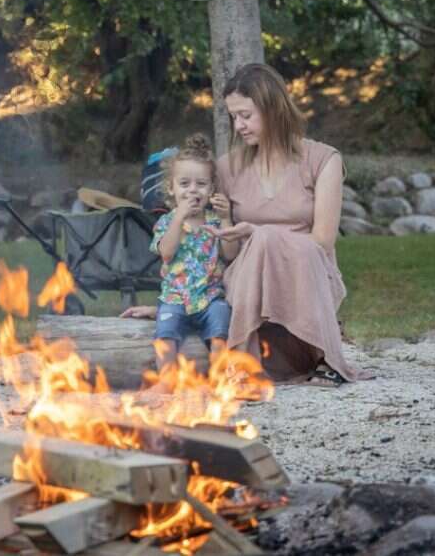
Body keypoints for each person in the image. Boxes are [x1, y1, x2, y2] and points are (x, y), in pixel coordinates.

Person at [123, 63, 367, 387]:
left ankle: (318, 356)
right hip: (247, 282)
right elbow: (199, 240)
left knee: (266, 241)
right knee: (258, 245)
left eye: (245, 115)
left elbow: (322, 241)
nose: (238, 126)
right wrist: (177, 301)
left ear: (273, 108)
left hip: (307, 276)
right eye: (233, 117)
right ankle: (243, 363)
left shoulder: (324, 160)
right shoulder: (227, 168)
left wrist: (259, 233)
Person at [145, 133, 232, 382]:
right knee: (165, 336)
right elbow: (166, 252)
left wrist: (226, 219)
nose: (192, 190)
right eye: (184, 184)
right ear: (171, 188)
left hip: (210, 298)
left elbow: (230, 254)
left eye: (201, 184)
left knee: (220, 331)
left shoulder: (214, 222)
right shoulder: (166, 222)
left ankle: (219, 380)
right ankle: (166, 380)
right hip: (174, 299)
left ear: (211, 189)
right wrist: (179, 218)